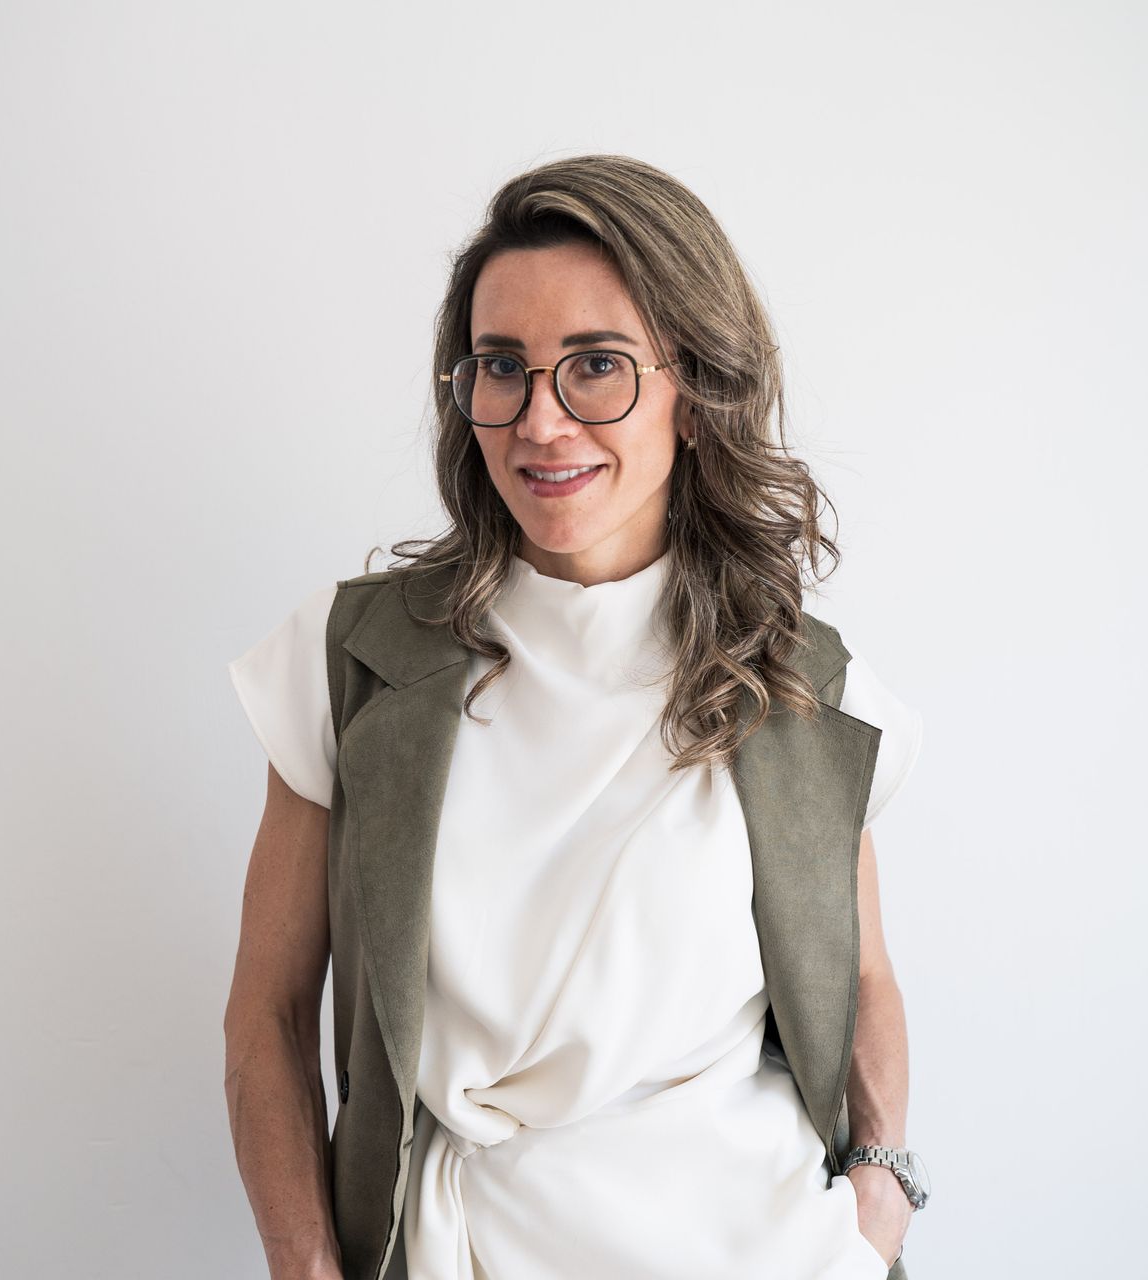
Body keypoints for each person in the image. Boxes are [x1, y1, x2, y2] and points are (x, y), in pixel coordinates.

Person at [223, 153, 927, 1280]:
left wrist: (876, 1199)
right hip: (459, 1247)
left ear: (696, 391)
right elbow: (267, 1009)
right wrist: (305, 1268)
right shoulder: (351, 659)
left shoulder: (796, 680)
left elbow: (863, 977)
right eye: (502, 367)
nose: (541, 422)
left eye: (596, 365)